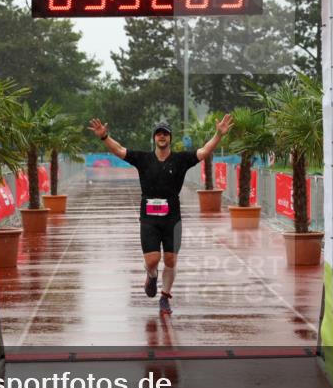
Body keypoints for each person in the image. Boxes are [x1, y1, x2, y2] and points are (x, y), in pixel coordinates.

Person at [88, 116, 233, 315]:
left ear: (170, 138)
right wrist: (104, 136)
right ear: (154, 138)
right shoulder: (143, 159)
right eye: (158, 133)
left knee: (171, 260)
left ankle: (165, 297)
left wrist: (218, 134)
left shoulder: (181, 160)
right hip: (149, 218)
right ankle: (151, 275)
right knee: (152, 260)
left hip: (172, 218)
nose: (162, 136)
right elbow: (119, 150)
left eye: (165, 133)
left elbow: (204, 151)